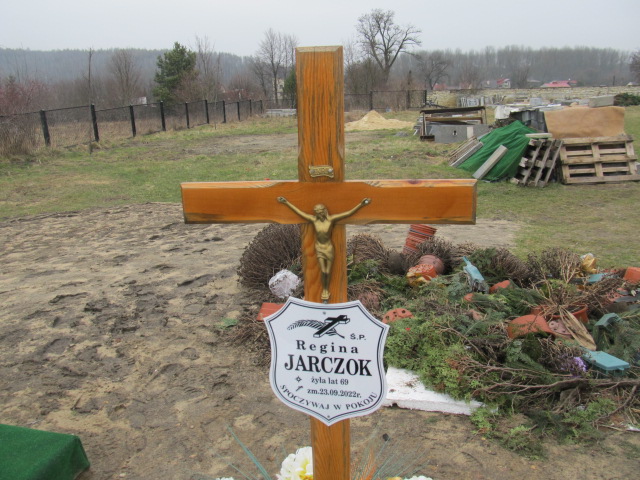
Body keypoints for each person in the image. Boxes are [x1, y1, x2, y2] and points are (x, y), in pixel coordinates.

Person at [277, 197, 371, 302]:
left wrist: (361, 204)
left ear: (324, 211)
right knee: (324, 271)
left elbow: (348, 213)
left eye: (320, 212)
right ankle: (325, 290)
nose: (319, 214)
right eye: (317, 213)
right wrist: (286, 202)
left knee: (328, 271)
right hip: (319, 249)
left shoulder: (331, 220)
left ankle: (326, 289)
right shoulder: (314, 220)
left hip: (329, 249)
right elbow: (300, 213)